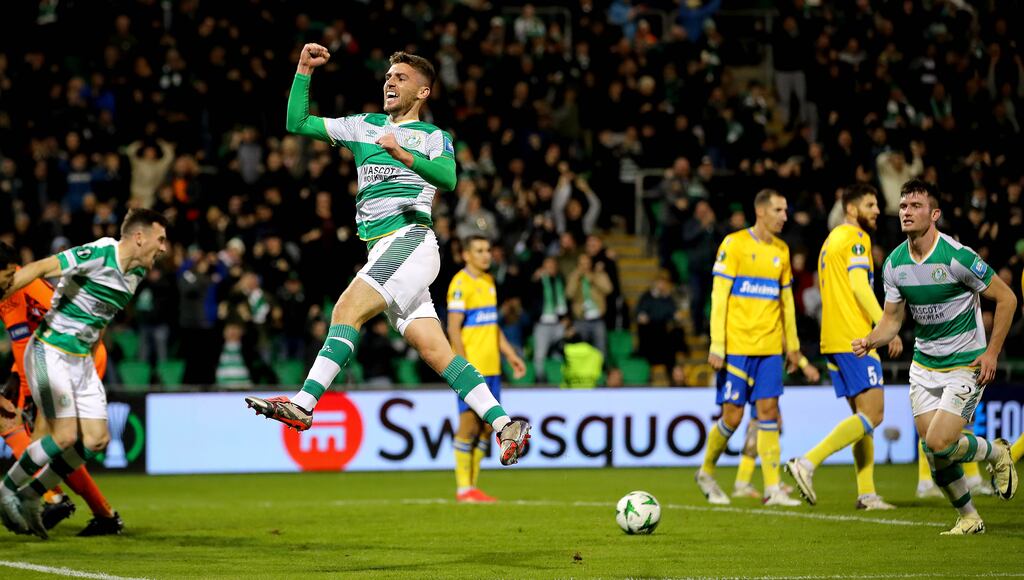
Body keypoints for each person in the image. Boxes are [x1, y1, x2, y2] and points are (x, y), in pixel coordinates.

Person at [244, 46, 530, 467]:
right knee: (438, 354)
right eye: (388, 75)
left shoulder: (434, 138)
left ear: (423, 91)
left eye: (401, 77)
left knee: (346, 309)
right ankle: (506, 425)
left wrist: (403, 154)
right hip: (383, 249)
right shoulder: (364, 126)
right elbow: (297, 122)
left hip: (412, 239)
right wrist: (304, 69)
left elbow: (449, 179)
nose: (390, 81)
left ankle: (305, 404)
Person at [852, 179, 1017, 535]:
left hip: (966, 363)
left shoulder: (958, 257)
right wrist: (871, 340)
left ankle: (996, 453)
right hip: (924, 365)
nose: (907, 212)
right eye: (904, 206)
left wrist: (992, 353)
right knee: (933, 450)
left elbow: (1008, 299)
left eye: (916, 206)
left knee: (940, 442)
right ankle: (970, 517)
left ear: (935, 213)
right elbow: (892, 321)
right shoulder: (895, 263)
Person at [0, 209, 168, 539]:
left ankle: (35, 494)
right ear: (139, 237)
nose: (163, 248)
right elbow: (43, 267)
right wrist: (7, 287)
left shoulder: (133, 275)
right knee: (61, 436)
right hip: (51, 349)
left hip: (84, 358)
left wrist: (88, 363)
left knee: (96, 439)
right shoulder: (101, 252)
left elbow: (100, 320)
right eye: (160, 239)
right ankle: (9, 490)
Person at [695, 189, 819, 507]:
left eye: (786, 210)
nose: (784, 216)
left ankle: (773, 488)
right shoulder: (734, 244)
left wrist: (792, 347)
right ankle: (706, 472)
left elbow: (786, 303)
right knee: (733, 418)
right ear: (760, 211)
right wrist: (717, 344)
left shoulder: (781, 250)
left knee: (768, 414)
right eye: (779, 210)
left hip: (768, 349)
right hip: (736, 346)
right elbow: (718, 297)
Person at [785, 184, 901, 511]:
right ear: (851, 209)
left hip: (833, 337)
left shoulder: (830, 241)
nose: (877, 210)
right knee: (875, 414)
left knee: (862, 420)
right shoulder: (856, 238)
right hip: (856, 338)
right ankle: (807, 462)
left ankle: (867, 494)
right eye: (870, 204)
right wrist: (886, 327)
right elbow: (859, 285)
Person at [0, 243, 122, 536]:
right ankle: (94, 511)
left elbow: (21, 343)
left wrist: (27, 396)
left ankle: (54, 498)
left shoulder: (14, 288)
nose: (5, 281)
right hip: (56, 356)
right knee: (49, 439)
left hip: (72, 358)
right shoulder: (16, 282)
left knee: (33, 431)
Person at [446, 236, 527, 503]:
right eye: (479, 250)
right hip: (473, 370)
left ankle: (472, 488)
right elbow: (453, 329)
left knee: (486, 430)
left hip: (492, 368)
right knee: (467, 427)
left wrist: (510, 354)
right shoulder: (460, 284)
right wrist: (462, 366)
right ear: (466, 255)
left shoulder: (489, 282)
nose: (486, 255)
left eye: (488, 250)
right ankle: (462, 489)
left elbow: (492, 326)